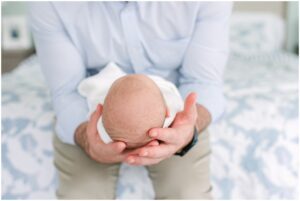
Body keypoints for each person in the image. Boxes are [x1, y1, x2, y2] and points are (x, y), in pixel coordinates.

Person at [29, 2, 232, 199]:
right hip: (89, 110)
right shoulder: (49, 5)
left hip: (174, 112)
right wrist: (87, 139)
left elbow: (202, 82)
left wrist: (187, 130)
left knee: (187, 194)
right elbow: (67, 92)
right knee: (80, 195)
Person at [77, 62, 184, 149]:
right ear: (167, 112)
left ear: (101, 110)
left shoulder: (101, 130)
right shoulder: (172, 107)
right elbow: (176, 100)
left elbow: (89, 89)